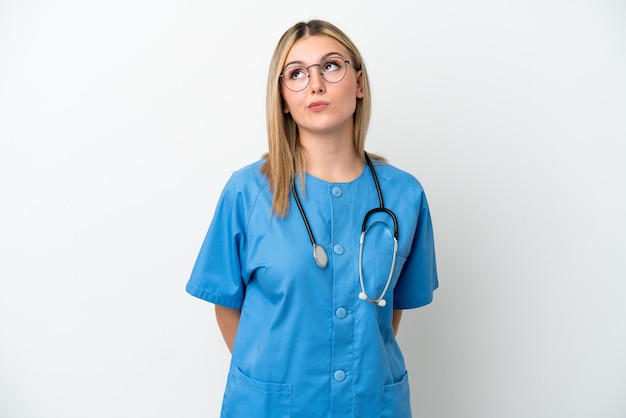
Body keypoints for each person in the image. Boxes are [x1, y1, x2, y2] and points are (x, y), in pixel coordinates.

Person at [186, 19, 438, 418]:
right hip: (271, 407)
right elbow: (226, 305)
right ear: (283, 98)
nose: (315, 84)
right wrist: (269, 377)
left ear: (358, 83)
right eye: (297, 74)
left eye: (331, 66)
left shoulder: (404, 196)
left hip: (370, 405)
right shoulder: (247, 192)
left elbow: (389, 311)